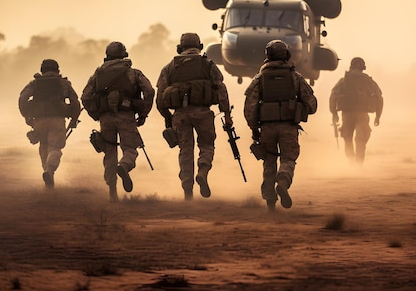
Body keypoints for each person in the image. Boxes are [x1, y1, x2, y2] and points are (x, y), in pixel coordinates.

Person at [156, 33, 232, 200]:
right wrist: (226, 114)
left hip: (180, 115)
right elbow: (221, 89)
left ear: (180, 48)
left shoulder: (169, 67)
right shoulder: (207, 64)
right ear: (200, 46)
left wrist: (168, 119)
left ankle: (187, 191)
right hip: (203, 113)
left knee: (185, 151)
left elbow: (160, 98)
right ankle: (203, 172)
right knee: (206, 145)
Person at [244, 40, 317, 211]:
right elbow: (312, 104)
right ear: (287, 55)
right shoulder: (295, 77)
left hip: (267, 127)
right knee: (288, 158)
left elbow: (250, 106)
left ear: (267, 55)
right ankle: (283, 181)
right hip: (288, 126)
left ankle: (270, 202)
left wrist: (254, 128)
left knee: (269, 162)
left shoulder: (259, 78)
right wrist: (300, 109)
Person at [81, 41, 154, 202]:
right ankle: (124, 166)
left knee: (109, 152)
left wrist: (96, 114)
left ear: (107, 56)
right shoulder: (133, 73)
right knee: (130, 149)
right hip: (126, 116)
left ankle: (112, 191)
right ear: (124, 55)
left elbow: (85, 97)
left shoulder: (97, 74)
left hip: (106, 118)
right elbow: (149, 91)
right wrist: (143, 113)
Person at [18, 59, 81, 188]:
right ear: (57, 70)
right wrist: (74, 118)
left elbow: (23, 98)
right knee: (55, 148)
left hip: (39, 120)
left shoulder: (34, 84)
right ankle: (49, 171)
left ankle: (47, 175)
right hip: (57, 120)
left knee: (43, 147)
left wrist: (27, 116)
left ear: (42, 70)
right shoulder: (63, 83)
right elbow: (75, 101)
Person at [329, 57, 383, 166]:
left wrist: (334, 114)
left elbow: (333, 96)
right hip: (362, 114)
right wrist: (378, 116)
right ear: (363, 67)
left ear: (351, 66)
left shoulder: (344, 80)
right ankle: (358, 164)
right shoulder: (368, 81)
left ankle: (351, 160)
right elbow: (379, 97)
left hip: (347, 114)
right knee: (361, 140)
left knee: (347, 138)